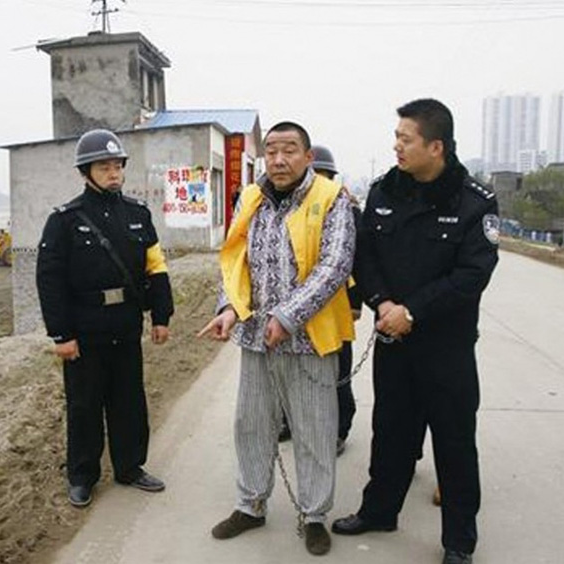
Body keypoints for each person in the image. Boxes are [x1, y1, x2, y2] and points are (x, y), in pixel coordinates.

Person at [330, 99, 499, 564]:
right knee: (391, 432)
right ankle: (379, 511)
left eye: (406, 139)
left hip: (447, 349)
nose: (397, 146)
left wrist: (414, 311)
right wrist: (383, 303)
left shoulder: (474, 201)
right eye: (396, 137)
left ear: (436, 146)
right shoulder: (385, 191)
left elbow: (472, 275)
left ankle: (459, 541)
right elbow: (365, 256)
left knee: (454, 442)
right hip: (394, 340)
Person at [198, 121, 355, 556]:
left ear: (308, 156)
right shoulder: (251, 198)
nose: (279, 159)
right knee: (250, 425)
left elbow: (334, 266)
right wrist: (229, 309)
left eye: (289, 150)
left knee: (314, 430)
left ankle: (315, 515)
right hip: (255, 339)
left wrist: (288, 317)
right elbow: (236, 261)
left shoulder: (332, 199)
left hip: (309, 340)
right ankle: (250, 505)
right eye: (271, 151)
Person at [36, 128, 174, 508]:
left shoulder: (138, 214)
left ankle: (130, 467)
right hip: (84, 332)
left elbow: (156, 268)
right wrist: (61, 334)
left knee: (129, 400)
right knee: (84, 406)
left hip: (126, 327)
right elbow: (49, 280)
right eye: (104, 167)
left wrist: (161, 315)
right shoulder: (65, 221)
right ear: (86, 172)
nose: (113, 173)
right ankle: (82, 476)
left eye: (117, 166)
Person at [277, 145, 363, 458]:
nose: (319, 183)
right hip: (296, 306)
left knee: (337, 372)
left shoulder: (346, 209)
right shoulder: (290, 207)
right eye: (315, 176)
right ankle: (289, 421)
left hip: (335, 307)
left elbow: (357, 259)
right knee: (290, 370)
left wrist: (355, 303)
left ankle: (338, 429)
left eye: (325, 176)